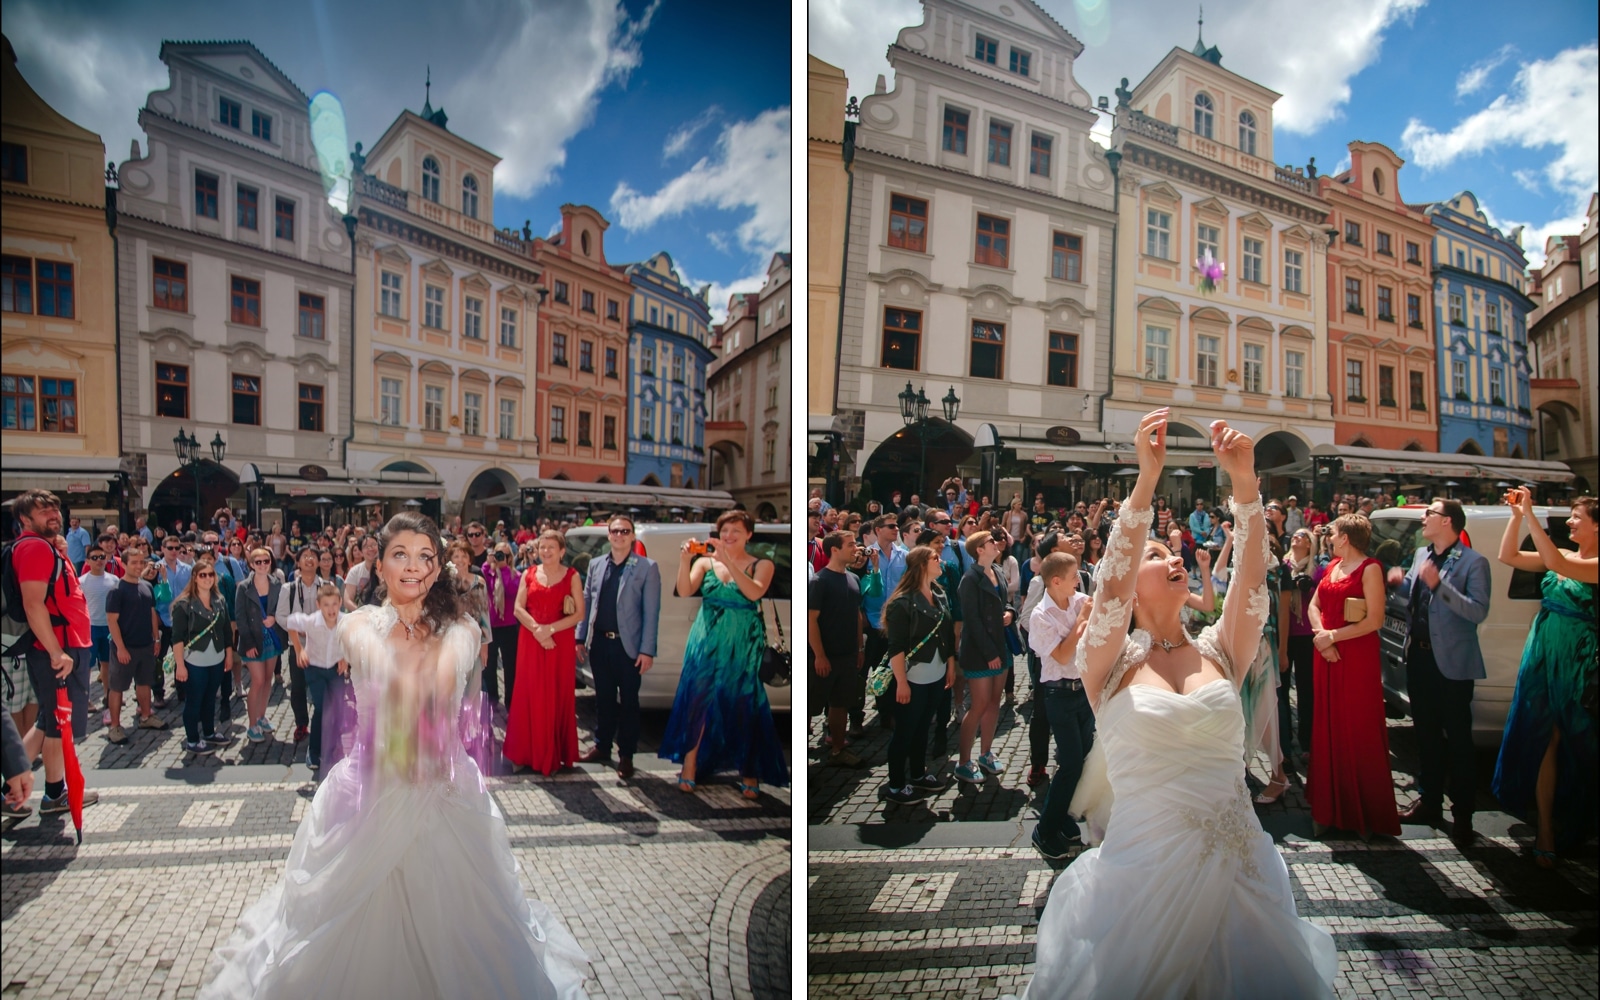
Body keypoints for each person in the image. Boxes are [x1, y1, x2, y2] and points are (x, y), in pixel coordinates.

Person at [199, 512, 588, 998]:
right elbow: (368, 651)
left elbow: (449, 672)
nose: (413, 566)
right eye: (399, 554)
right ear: (378, 566)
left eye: (426, 555)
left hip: (442, 792)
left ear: (439, 565)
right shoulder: (359, 623)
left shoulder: (462, 628)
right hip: (371, 791)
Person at [1016, 409, 1335, 999]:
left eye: (1175, 551)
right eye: (1158, 554)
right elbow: (1109, 585)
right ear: (1133, 582)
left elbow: (1251, 582)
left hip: (1242, 884)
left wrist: (1245, 485)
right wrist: (1146, 478)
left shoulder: (1221, 649)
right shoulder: (1107, 665)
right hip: (1141, 886)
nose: (1174, 557)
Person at [1493, 490, 1597, 864]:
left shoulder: (1590, 562)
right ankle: (1547, 830)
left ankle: (1577, 821)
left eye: (1576, 518)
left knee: (1581, 744)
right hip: (1542, 653)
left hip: (1578, 659)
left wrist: (1532, 514)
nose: (1569, 522)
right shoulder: (1564, 555)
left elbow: (1556, 563)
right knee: (1544, 737)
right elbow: (1509, 556)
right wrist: (1517, 516)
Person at [661, 510, 789, 797]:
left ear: (749, 535)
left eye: (736, 531)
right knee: (698, 701)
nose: (729, 536)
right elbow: (684, 590)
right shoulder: (704, 563)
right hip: (706, 639)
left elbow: (754, 593)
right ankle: (690, 765)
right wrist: (685, 561)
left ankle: (749, 770)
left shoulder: (762, 564)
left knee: (744, 703)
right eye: (725, 531)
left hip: (743, 641)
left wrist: (728, 561)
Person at [9, 490, 101, 816]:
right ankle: (53, 794)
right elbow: (34, 605)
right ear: (24, 519)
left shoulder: (44, 546)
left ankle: (11, 789)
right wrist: (56, 651)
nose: (52, 513)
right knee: (58, 724)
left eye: (54, 508)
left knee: (49, 718)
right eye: (42, 509)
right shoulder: (34, 547)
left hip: (63, 644)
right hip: (59, 648)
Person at [1308, 514, 1400, 840]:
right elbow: (1313, 605)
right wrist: (1323, 637)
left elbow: (1375, 620)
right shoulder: (1332, 565)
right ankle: (1330, 809)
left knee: (1357, 729)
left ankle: (1365, 813)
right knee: (1328, 727)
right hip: (1328, 655)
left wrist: (1331, 638)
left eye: (1332, 533)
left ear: (1345, 537)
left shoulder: (1370, 568)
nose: (1329, 536)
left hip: (1355, 658)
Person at [575, 516, 661, 780]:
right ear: (608, 535)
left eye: (625, 531)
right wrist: (580, 638)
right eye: (615, 531)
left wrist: (647, 650)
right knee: (603, 699)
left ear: (632, 536)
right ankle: (602, 746)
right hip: (600, 642)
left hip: (629, 647)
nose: (619, 535)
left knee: (629, 703)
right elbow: (587, 603)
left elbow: (651, 611)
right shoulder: (597, 564)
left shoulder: (646, 567)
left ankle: (626, 754)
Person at [1026, 551, 1095, 858]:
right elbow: (1063, 656)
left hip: (1084, 692)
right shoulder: (1040, 617)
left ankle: (1065, 814)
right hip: (1059, 695)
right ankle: (1044, 829)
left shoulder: (1081, 600)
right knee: (1069, 764)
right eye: (1072, 576)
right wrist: (1081, 622)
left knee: (1083, 760)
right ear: (1055, 581)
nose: (1078, 580)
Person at [880, 546, 956, 803]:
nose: (941, 561)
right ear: (922, 564)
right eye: (936, 558)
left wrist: (951, 666)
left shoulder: (940, 593)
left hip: (936, 673)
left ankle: (917, 774)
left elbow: (947, 635)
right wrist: (901, 682)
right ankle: (895, 785)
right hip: (911, 678)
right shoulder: (902, 603)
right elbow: (896, 648)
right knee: (905, 730)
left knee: (924, 726)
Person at [504, 531, 583, 775]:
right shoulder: (528, 573)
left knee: (556, 694)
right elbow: (518, 608)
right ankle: (524, 753)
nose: (546, 551)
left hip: (559, 642)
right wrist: (539, 631)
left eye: (551, 547)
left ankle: (554, 754)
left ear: (562, 551)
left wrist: (550, 630)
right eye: (542, 547)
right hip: (531, 640)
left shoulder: (572, 576)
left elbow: (579, 614)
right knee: (529, 693)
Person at [953, 530, 1014, 784]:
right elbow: (972, 620)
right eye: (991, 541)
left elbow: (1006, 602)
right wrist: (989, 653)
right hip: (981, 652)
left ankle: (986, 753)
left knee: (993, 702)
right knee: (978, 705)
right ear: (979, 549)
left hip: (1001, 646)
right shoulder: (970, 578)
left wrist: (1010, 613)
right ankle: (963, 761)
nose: (997, 542)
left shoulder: (998, 571)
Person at [809, 531, 865, 768]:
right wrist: (819, 656)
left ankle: (838, 749)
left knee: (840, 704)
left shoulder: (854, 579)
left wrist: (860, 648)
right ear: (834, 550)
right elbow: (810, 620)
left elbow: (856, 616)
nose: (856, 549)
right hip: (823, 657)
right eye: (851, 545)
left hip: (848, 655)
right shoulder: (819, 581)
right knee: (809, 706)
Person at [171, 557, 235, 756]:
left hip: (216, 658)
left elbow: (226, 631)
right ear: (195, 578)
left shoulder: (220, 600)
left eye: (210, 575)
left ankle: (208, 732)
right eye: (203, 575)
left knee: (210, 698)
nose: (207, 578)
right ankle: (192, 739)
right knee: (195, 699)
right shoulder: (184, 604)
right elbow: (177, 638)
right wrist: (180, 665)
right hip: (194, 660)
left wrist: (229, 655)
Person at [104, 546, 166, 744]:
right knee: (117, 687)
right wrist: (120, 648)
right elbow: (112, 621)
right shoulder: (116, 590)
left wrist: (156, 639)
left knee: (144, 682)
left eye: (142, 562)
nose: (139, 566)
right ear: (123, 564)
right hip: (125, 648)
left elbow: (152, 615)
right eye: (134, 562)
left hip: (146, 645)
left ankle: (146, 716)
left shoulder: (146, 586)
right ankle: (114, 726)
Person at [284, 583, 348, 773]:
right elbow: (290, 623)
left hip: (335, 670)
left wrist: (346, 657)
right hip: (315, 669)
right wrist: (299, 649)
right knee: (322, 708)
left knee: (337, 708)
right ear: (319, 605)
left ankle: (335, 748)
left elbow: (353, 639)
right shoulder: (311, 621)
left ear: (340, 603)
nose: (331, 609)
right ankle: (314, 750)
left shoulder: (346, 621)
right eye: (326, 605)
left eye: (334, 604)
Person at [235, 547, 285, 744]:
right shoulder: (243, 587)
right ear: (251, 565)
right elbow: (240, 617)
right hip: (253, 641)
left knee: (267, 680)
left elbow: (281, 609)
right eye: (258, 562)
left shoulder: (276, 584)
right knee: (256, 681)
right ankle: (252, 724)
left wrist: (274, 618)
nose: (263, 565)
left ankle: (262, 716)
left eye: (266, 561)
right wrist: (246, 642)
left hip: (271, 638)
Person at [277, 548, 321, 744]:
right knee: (298, 688)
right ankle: (301, 724)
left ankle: (322, 724)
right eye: (305, 556)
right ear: (298, 562)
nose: (309, 560)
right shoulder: (289, 589)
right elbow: (280, 616)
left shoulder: (326, 586)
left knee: (322, 687)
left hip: (322, 646)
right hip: (298, 646)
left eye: (313, 556)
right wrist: (299, 628)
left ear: (318, 562)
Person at [78, 544, 120, 725]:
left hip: (109, 627)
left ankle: (107, 695)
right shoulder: (81, 581)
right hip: (90, 627)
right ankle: (85, 699)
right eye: (94, 558)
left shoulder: (114, 580)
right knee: (87, 667)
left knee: (107, 664)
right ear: (87, 561)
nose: (99, 561)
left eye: (101, 557)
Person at [483, 542, 522, 706]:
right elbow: (483, 582)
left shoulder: (516, 575)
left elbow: (511, 592)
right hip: (491, 625)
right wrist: (488, 562)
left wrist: (504, 568)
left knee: (510, 665)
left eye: (504, 555)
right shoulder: (488, 572)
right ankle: (492, 697)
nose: (500, 557)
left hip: (509, 626)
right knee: (490, 664)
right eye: (498, 554)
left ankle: (510, 700)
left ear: (510, 557)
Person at [343, 535, 381, 611]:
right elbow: (347, 600)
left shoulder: (388, 569)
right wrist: (362, 614)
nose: (371, 548)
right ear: (361, 552)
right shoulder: (354, 571)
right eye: (366, 546)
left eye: (373, 545)